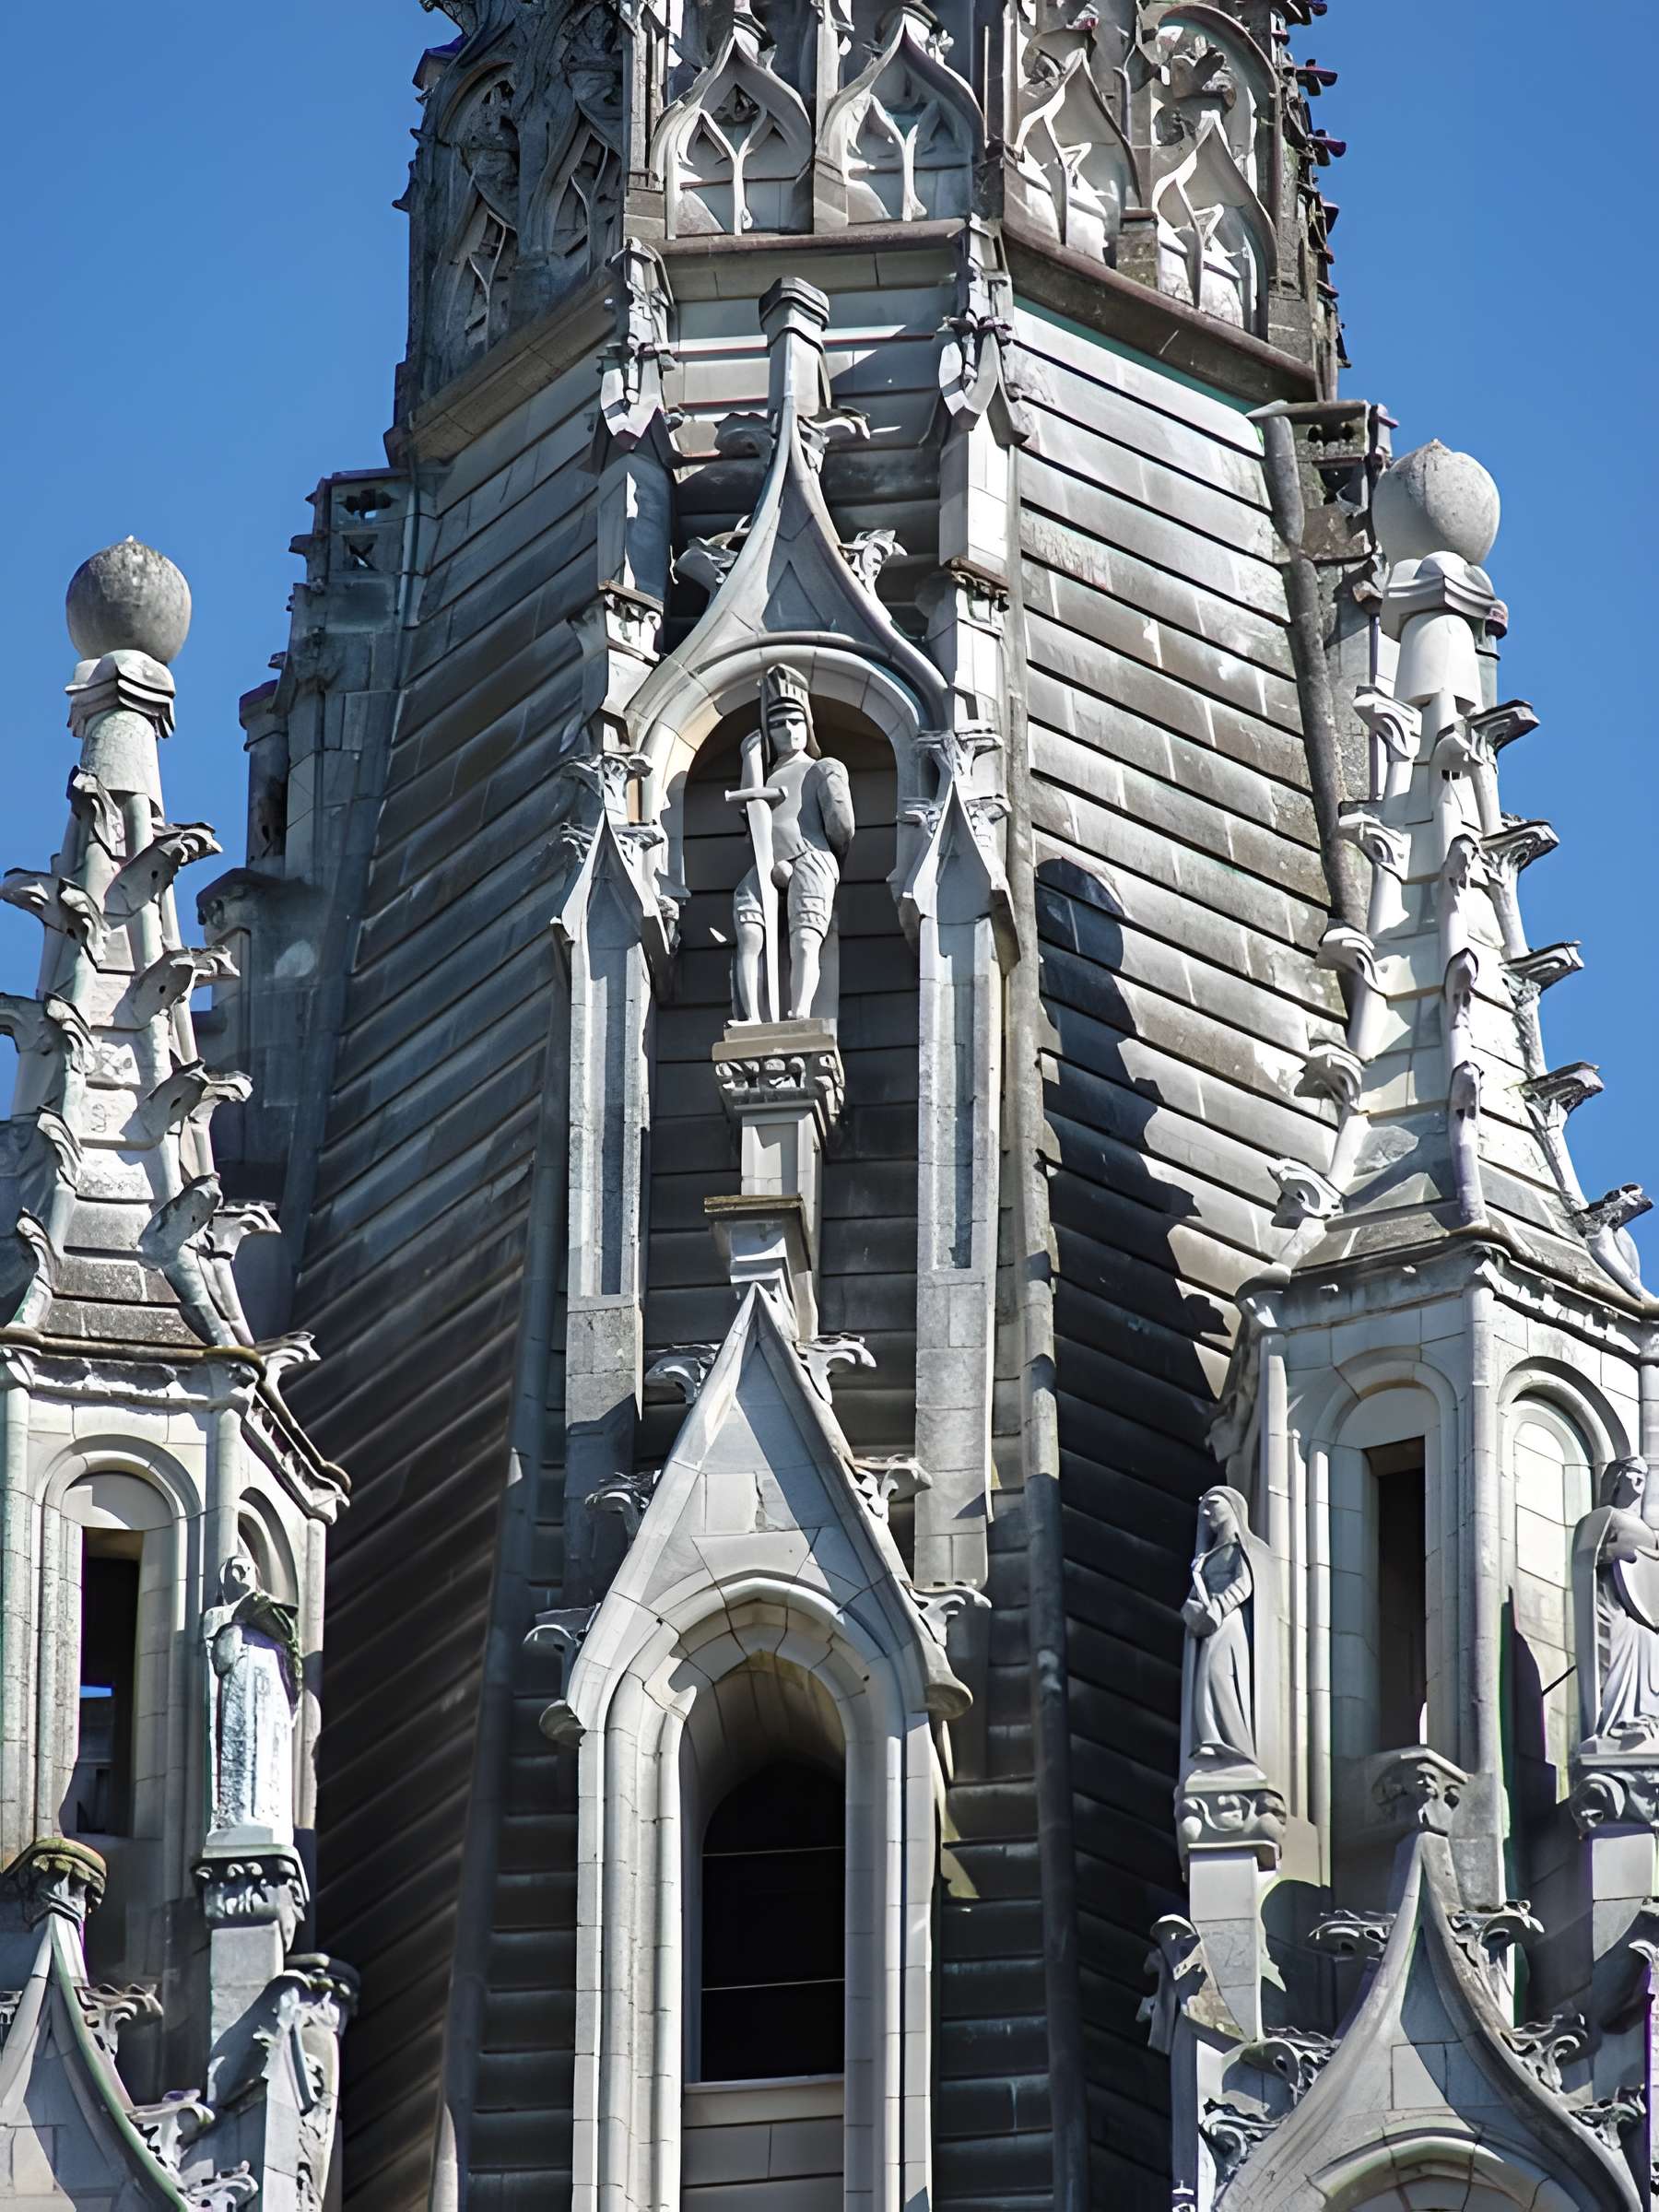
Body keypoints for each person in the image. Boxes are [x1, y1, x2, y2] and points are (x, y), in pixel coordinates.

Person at [731, 665, 855, 1023]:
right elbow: (750, 807)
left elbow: (842, 827)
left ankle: (800, 1012)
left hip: (810, 857)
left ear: (808, 725)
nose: (788, 729)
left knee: (805, 939)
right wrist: (749, 758)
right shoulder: (768, 773)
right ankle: (753, 1016)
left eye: (796, 721)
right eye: (778, 723)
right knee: (749, 933)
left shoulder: (821, 767)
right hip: (766, 859)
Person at [204, 1550, 301, 1841]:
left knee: (268, 1752)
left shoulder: (274, 1612)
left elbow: (290, 1659)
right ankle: (238, 1817)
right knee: (243, 1748)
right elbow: (221, 1660)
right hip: (240, 1692)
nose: (242, 1574)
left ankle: (269, 1816)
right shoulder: (219, 1615)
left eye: (247, 1568)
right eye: (236, 1569)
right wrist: (237, 1623)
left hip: (271, 1695)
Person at [1181, 1485, 1256, 1768]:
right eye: (1203, 1509)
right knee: (1205, 1677)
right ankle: (1212, 1738)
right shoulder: (1206, 1558)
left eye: (1213, 1504)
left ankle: (1233, 1741)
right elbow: (1195, 1592)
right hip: (1209, 1623)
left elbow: (1244, 1583)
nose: (1207, 1512)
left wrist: (1219, 1606)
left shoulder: (1239, 1548)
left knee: (1217, 1673)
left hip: (1228, 1620)